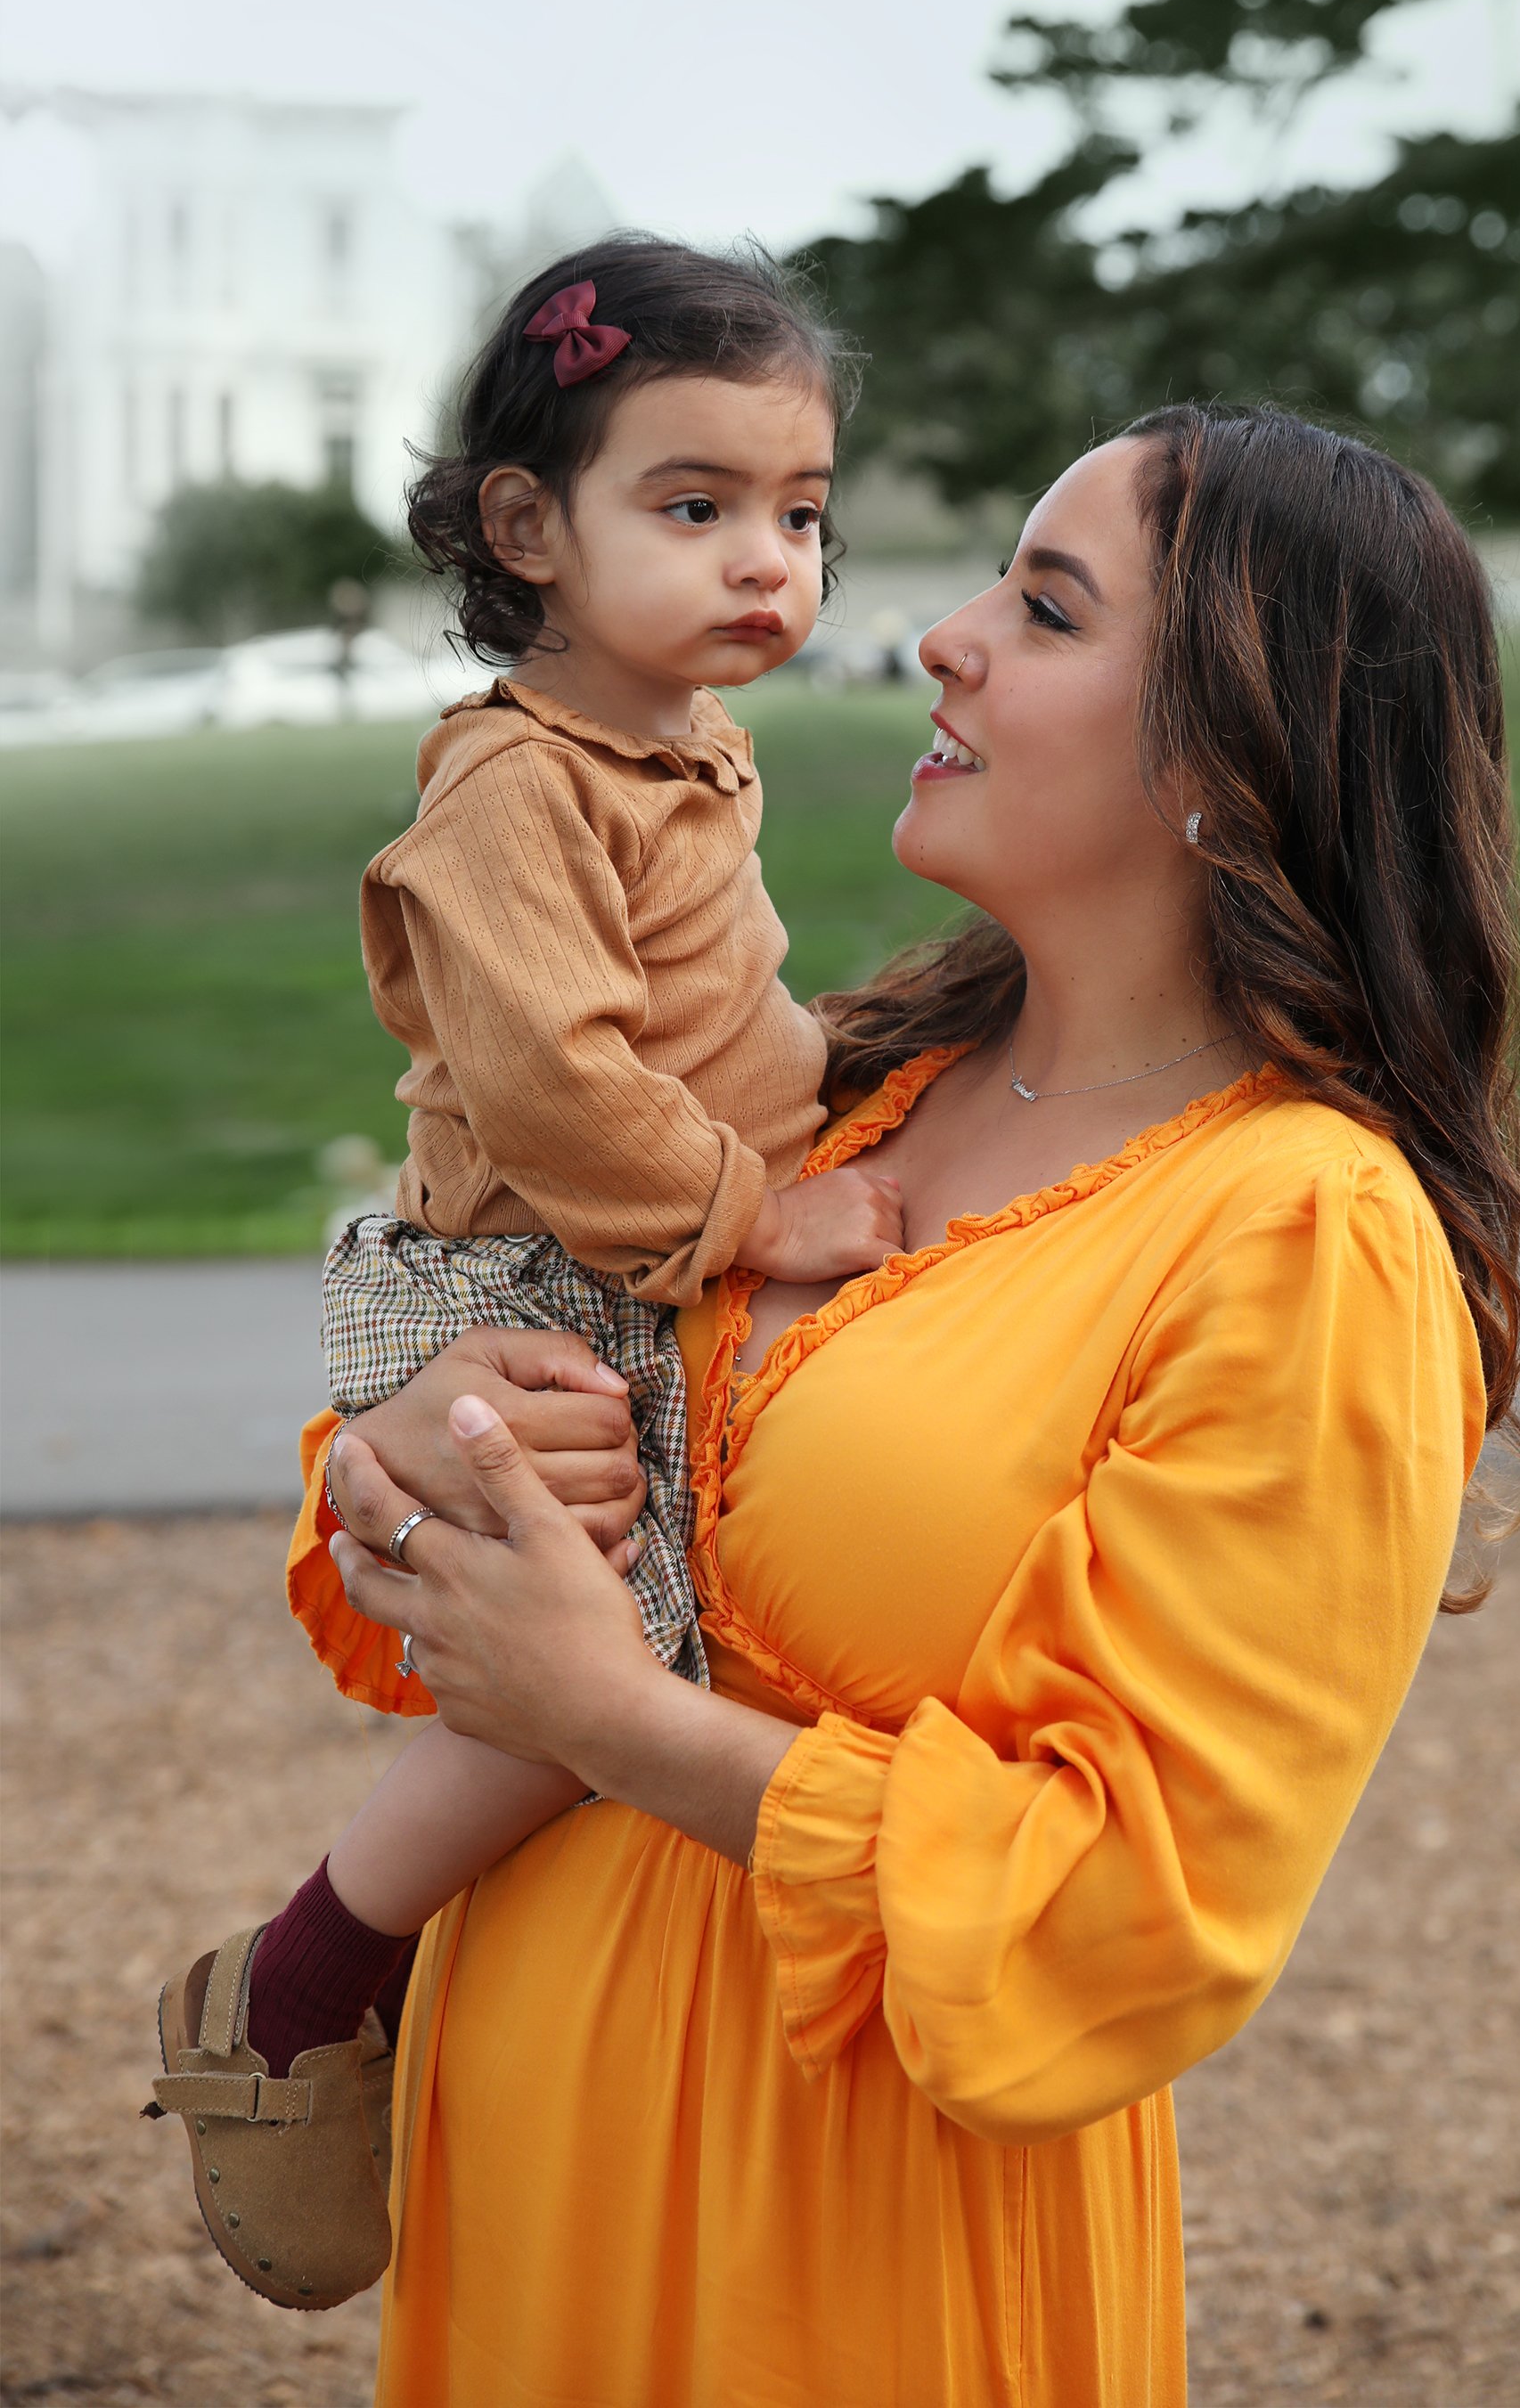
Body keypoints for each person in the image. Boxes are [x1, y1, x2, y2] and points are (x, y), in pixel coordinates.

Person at [205, 399, 1520, 2403]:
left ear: (1225, 748)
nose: (940, 634)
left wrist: (613, 1719)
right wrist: (419, 1457)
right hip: (523, 2174)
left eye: (1046, 604)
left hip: (849, 2252)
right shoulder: (840, 1097)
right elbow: (460, 1563)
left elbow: (1128, 1912)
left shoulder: (1301, 1232)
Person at [146, 239, 903, 2307]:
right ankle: (309, 1976)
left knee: (643, 1639)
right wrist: (766, 1215)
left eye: (801, 515)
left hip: (617, 1238)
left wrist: (842, 1084)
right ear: (525, 529)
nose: (769, 560)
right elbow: (561, 1089)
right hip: (526, 1269)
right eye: (696, 507)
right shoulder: (509, 786)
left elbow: (714, 1014)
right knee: (605, 1651)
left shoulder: (683, 744)